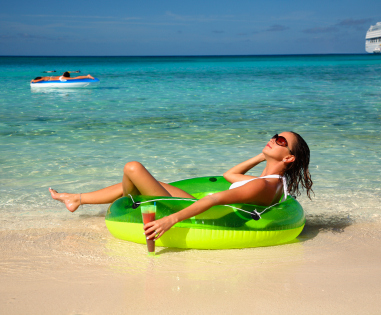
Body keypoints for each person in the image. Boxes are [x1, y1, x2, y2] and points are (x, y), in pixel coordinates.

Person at [49, 131, 313, 241]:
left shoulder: (262, 187)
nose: (272, 139)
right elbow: (230, 174)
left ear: (289, 157)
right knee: (155, 182)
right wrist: (262, 155)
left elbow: (214, 199)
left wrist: (170, 220)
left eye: (280, 141)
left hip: (206, 216)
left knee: (133, 168)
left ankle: (132, 202)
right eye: (274, 135)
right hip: (212, 210)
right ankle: (77, 199)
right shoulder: (269, 181)